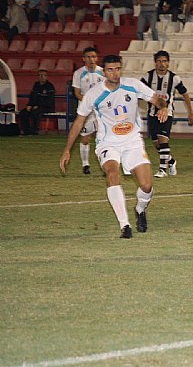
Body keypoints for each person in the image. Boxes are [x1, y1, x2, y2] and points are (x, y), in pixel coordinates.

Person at [60, 55, 168, 239]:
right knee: (112, 173)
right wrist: (67, 150)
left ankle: (140, 210)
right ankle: (124, 225)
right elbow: (79, 122)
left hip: (132, 141)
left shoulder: (133, 85)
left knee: (147, 185)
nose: (114, 73)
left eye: (117, 69)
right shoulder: (93, 94)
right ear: (104, 71)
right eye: (110, 69)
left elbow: (157, 99)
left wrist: (162, 107)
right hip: (107, 143)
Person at [141, 50, 193, 178]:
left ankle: (162, 170)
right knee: (156, 143)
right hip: (152, 114)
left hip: (167, 114)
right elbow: (139, 92)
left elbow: (185, 95)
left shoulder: (174, 78)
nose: (162, 64)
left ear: (168, 63)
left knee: (163, 139)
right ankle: (171, 161)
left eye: (164, 61)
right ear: (155, 63)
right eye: (159, 61)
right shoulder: (147, 77)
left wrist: (191, 112)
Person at [72, 46, 105, 175]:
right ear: (84, 58)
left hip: (101, 111)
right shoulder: (78, 73)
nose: (92, 59)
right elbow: (77, 93)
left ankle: (105, 164)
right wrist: (88, 103)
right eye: (89, 57)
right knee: (85, 138)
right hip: (85, 111)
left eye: (94, 57)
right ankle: (85, 164)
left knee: (103, 138)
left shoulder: (103, 72)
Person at [18, 69, 55, 135]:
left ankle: (34, 130)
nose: (41, 77)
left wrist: (38, 105)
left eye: (43, 75)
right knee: (23, 112)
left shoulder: (50, 86)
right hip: (34, 106)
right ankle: (26, 131)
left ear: (47, 77)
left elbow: (49, 100)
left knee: (36, 112)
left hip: (46, 107)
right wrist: (29, 105)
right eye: (40, 75)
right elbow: (32, 97)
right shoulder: (36, 85)